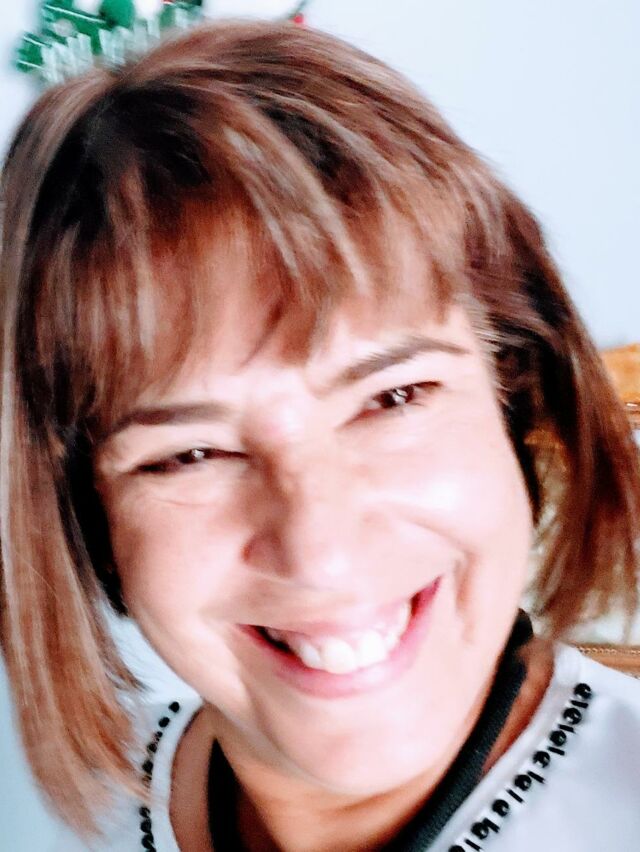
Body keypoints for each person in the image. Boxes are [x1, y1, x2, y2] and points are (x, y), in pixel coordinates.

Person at [1, 20, 639, 852]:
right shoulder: (55, 812)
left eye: (393, 398)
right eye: (190, 455)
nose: (321, 553)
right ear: (89, 527)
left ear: (511, 402)